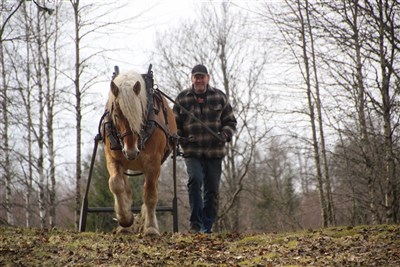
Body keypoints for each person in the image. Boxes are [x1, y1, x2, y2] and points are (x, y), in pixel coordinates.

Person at [173, 64, 237, 233]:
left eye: (202, 77)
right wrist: (181, 139)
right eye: (196, 77)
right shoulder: (182, 99)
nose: (199, 80)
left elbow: (230, 122)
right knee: (195, 180)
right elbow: (174, 125)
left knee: (212, 190)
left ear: (208, 78)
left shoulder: (219, 97)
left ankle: (206, 227)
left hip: (214, 152)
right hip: (192, 152)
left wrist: (224, 134)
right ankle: (195, 224)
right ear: (191, 78)